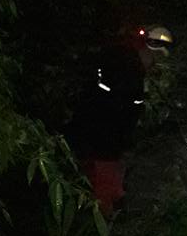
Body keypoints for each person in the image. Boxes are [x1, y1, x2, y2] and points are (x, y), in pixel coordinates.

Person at [66, 24, 174, 215]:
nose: (154, 65)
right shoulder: (129, 73)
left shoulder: (118, 64)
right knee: (104, 196)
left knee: (95, 188)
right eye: (156, 59)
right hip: (104, 147)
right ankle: (101, 230)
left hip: (89, 140)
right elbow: (120, 115)